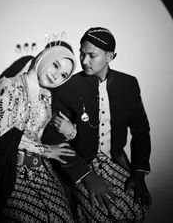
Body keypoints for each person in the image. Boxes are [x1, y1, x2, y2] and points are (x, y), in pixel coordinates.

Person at [42, 27, 151, 222]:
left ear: (110, 56)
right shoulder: (68, 87)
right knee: (107, 214)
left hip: (114, 160)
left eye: (92, 55)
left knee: (139, 208)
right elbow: (54, 138)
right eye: (81, 54)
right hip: (80, 164)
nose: (84, 61)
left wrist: (139, 173)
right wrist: (86, 176)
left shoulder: (128, 85)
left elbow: (141, 130)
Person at [0, 41, 77, 223]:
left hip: (42, 171)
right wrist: (47, 151)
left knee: (63, 218)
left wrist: (72, 131)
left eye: (63, 74)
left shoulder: (46, 95)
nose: (56, 75)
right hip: (11, 171)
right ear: (43, 58)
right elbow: (5, 135)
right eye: (55, 65)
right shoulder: (7, 86)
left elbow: (48, 130)